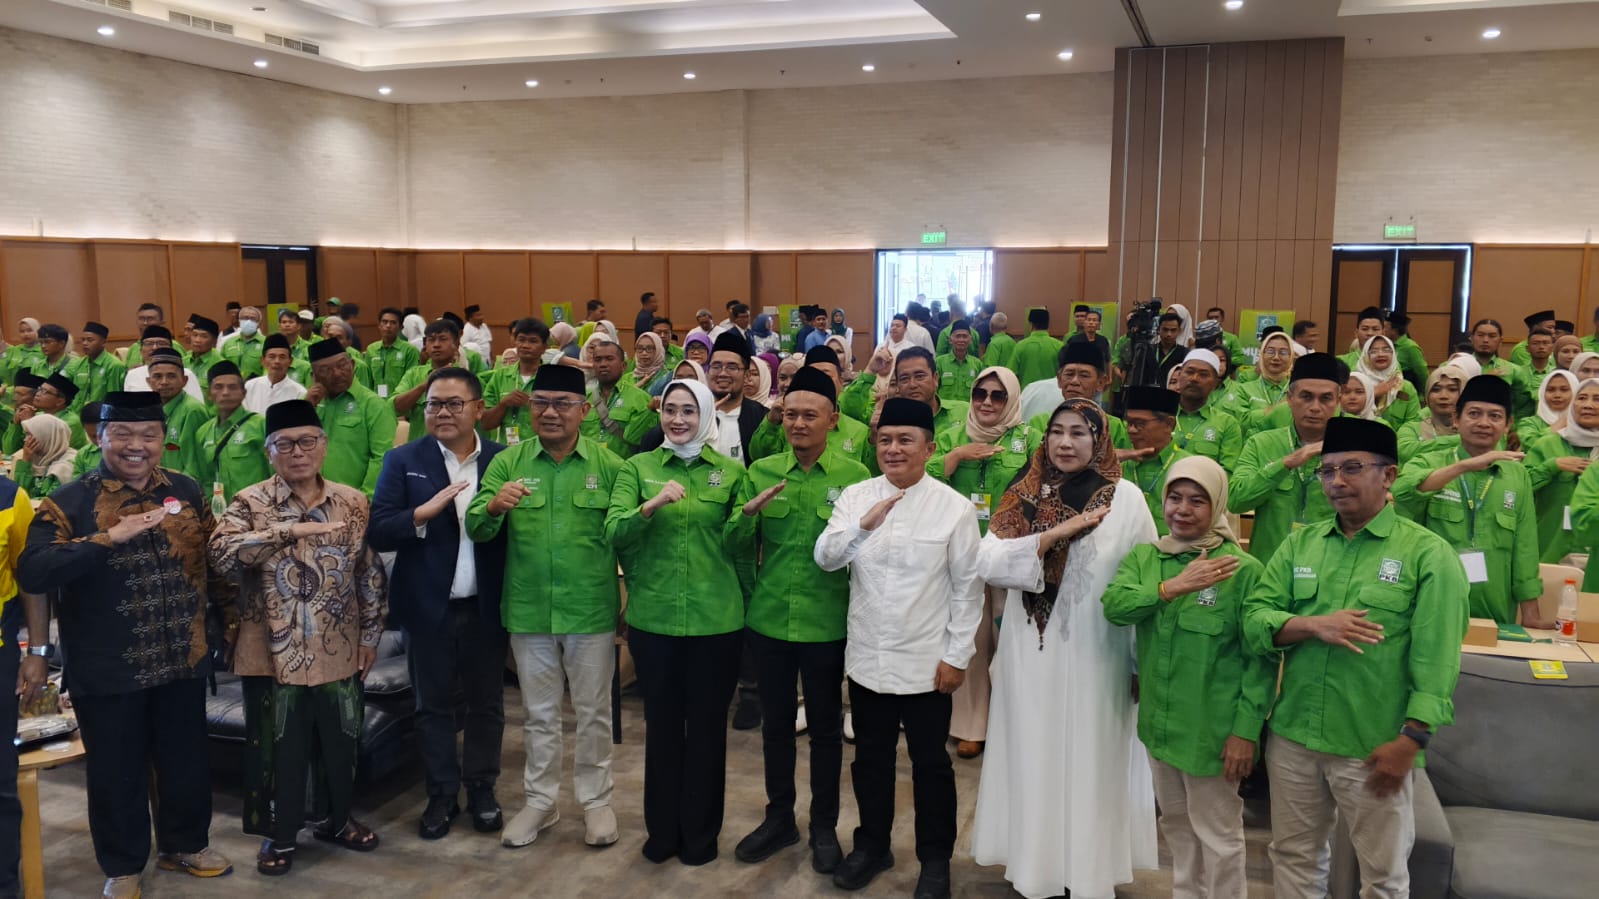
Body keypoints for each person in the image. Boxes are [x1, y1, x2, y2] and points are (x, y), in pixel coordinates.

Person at [18, 391, 233, 898]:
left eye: (148, 435)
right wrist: (107, 539)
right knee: (116, 771)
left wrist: (232, 620)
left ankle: (185, 844)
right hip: (108, 666)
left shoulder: (185, 489)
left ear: (163, 440)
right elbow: (33, 570)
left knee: (185, 761)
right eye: (123, 435)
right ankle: (123, 864)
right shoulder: (68, 501)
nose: (137, 446)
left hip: (183, 656)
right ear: (100, 437)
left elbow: (214, 559)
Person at [1242, 416, 1468, 899]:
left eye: (1351, 468)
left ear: (1389, 476)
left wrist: (1411, 739)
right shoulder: (1301, 544)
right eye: (1326, 471)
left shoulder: (1427, 554)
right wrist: (1312, 625)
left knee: (1382, 876)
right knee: (1294, 857)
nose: (1336, 482)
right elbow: (1255, 617)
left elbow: (1438, 659)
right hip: (1294, 736)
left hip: (1373, 742)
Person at [970, 397, 1158, 899]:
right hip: (1031, 652)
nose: (1065, 442)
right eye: (1057, 431)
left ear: (1100, 439)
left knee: (1092, 755)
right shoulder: (1025, 493)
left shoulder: (1126, 500)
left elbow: (1143, 582)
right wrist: (1053, 534)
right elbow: (986, 562)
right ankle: (1037, 870)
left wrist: (1138, 661)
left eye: (1079, 432)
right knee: (1033, 751)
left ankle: (1088, 871)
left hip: (1101, 653)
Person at [208, 399, 387, 875]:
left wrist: (371, 635)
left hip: (338, 644)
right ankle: (279, 834)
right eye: (284, 444)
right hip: (269, 649)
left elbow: (367, 573)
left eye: (307, 441)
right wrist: (287, 531)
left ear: (323, 445)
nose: (297, 452)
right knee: (275, 747)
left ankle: (337, 819)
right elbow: (221, 557)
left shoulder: (352, 501)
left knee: (341, 740)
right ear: (269, 452)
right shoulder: (249, 502)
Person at [814, 397, 981, 899]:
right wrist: (862, 526)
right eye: (885, 440)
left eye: (905, 440)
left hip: (928, 663)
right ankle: (872, 846)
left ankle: (935, 861)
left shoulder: (953, 508)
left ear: (929, 449)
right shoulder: (856, 496)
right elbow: (825, 558)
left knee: (931, 766)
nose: (893, 449)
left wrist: (956, 657)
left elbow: (967, 589)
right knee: (870, 761)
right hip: (868, 659)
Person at [463, 365, 621, 848]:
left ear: (583, 410)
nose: (550, 412)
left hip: (589, 609)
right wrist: (494, 507)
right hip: (529, 609)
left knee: (593, 712)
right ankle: (540, 801)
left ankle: (596, 802)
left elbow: (628, 537)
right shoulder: (507, 462)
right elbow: (475, 524)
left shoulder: (610, 465)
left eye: (562, 404)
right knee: (538, 714)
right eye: (540, 403)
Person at [1103, 455, 1270, 899]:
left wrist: (1245, 732)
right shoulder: (1147, 558)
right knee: (1176, 824)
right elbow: (1115, 607)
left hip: (1212, 733)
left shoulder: (1242, 571)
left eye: (1198, 500)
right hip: (1160, 726)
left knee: (1218, 835)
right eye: (1174, 498)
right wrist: (1173, 587)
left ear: (1217, 506)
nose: (1182, 509)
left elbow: (1260, 661)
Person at [729, 366, 869, 872]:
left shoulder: (856, 479)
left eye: (811, 415)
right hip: (769, 620)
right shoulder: (762, 471)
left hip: (827, 623)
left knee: (827, 732)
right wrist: (747, 516)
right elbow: (736, 546)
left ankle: (824, 826)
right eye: (791, 414)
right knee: (776, 727)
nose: (799, 424)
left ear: (832, 419)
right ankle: (779, 817)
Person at [607, 378, 751, 865]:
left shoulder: (731, 473)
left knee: (708, 730)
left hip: (717, 621)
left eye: (689, 410)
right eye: (670, 409)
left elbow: (738, 550)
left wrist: (746, 520)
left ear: (706, 415)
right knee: (663, 729)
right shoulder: (638, 468)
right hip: (656, 620)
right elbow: (614, 531)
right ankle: (663, 832)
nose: (678, 419)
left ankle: (701, 836)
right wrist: (650, 506)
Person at [370, 368, 511, 841]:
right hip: (426, 607)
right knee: (431, 707)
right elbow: (379, 529)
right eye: (433, 404)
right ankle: (441, 795)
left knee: (486, 705)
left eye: (453, 403)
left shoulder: (503, 460)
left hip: (486, 607)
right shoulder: (403, 459)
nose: (442, 412)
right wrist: (420, 515)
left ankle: (482, 790)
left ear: (478, 408)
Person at [927, 366, 1040, 759]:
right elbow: (923, 477)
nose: (987, 402)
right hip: (963, 553)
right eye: (980, 394)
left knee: (1010, 640)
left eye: (997, 395)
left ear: (1012, 400)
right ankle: (970, 726)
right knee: (969, 642)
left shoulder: (1029, 438)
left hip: (1011, 554)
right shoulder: (952, 435)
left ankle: (1011, 726)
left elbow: (1048, 484)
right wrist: (957, 456)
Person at [1393, 375, 1544, 625]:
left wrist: (1531, 613)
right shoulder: (1430, 461)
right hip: (1431, 604)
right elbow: (1402, 492)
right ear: (1456, 418)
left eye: (1495, 416)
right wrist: (1463, 466)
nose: (1484, 423)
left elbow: (1525, 548)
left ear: (1508, 425)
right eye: (1474, 414)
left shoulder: (1518, 475)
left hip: (1494, 608)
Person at [1229, 353, 1344, 562]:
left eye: (1325, 398)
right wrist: (1286, 463)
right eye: (1306, 397)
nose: (1315, 407)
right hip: (1270, 565)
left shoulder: (1351, 450)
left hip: (1328, 565)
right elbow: (1236, 501)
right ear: (1290, 399)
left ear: (1338, 400)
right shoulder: (1261, 443)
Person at [1523, 375, 1598, 563]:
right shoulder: (1548, 444)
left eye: (1597, 399)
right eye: (1581, 398)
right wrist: (1552, 466)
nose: (1587, 405)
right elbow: (1519, 488)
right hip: (1550, 550)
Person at [307, 338, 397, 495]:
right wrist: (307, 408)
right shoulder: (310, 404)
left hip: (355, 500)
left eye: (342, 365)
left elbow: (382, 458)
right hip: (312, 499)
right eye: (326, 370)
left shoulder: (373, 405)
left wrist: (364, 499)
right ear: (314, 376)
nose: (337, 374)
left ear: (353, 365)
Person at [193, 361, 270, 507]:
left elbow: (275, 473)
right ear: (209, 394)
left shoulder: (261, 425)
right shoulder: (203, 432)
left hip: (259, 509)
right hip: (222, 512)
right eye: (218, 387)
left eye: (232, 387)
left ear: (244, 393)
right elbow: (206, 478)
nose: (225, 392)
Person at [1120, 386, 1190, 535]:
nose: (1131, 430)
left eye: (1140, 423)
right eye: (1129, 423)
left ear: (1169, 424)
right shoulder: (1118, 465)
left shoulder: (1189, 467)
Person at [582, 335, 657, 457]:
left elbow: (646, 442)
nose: (603, 364)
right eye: (598, 360)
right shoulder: (583, 398)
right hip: (588, 463)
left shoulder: (640, 398)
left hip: (623, 465)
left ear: (623, 366)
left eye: (609, 359)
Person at [394, 319, 470, 438]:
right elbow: (396, 407)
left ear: (456, 344)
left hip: (454, 446)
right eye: (431, 340)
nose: (436, 345)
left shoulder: (466, 378)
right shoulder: (414, 374)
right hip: (421, 446)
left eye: (443, 339)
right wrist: (424, 385)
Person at [1171, 349, 1244, 471]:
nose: (1194, 378)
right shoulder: (1159, 416)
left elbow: (1228, 472)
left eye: (1203, 375)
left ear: (1215, 383)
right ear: (1179, 376)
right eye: (1189, 372)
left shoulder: (1227, 424)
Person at [144, 348, 210, 482]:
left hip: (184, 489)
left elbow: (195, 467)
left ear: (184, 380)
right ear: (149, 381)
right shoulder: (149, 410)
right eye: (157, 376)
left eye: (171, 376)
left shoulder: (192, 410)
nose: (164, 382)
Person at [480, 317, 548, 445]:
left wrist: (532, 405)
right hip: (507, 451)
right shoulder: (499, 377)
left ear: (544, 347)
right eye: (521, 339)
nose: (525, 345)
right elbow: (486, 424)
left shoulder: (552, 377)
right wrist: (503, 405)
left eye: (533, 341)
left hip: (541, 450)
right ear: (515, 342)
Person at [1227, 330, 1294, 435]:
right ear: (1262, 355)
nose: (1276, 357)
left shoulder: (1297, 392)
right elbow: (1241, 423)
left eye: (1283, 352)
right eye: (1270, 351)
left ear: (1291, 357)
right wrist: (1279, 409)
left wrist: (1259, 416)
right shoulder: (1244, 389)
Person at [1396, 363, 1467, 462]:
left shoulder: (1477, 428)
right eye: (1436, 390)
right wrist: (1463, 439)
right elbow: (1405, 452)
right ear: (1427, 395)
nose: (1443, 396)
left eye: (1452, 389)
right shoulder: (1411, 428)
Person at [122, 327, 205, 402]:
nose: (154, 347)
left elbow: (197, 403)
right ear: (141, 350)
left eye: (161, 343)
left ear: (171, 348)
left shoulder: (186, 373)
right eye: (149, 343)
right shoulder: (133, 374)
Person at [1356, 334, 1420, 427]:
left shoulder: (1406, 387)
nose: (1380, 354)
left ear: (1393, 354)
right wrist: (1373, 393)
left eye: (1386, 350)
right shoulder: (1356, 383)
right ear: (1366, 356)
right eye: (1374, 351)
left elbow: (1414, 423)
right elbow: (1347, 414)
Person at [13, 413, 78, 497]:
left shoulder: (65, 467)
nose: (25, 440)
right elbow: (19, 493)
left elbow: (50, 501)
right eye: (26, 434)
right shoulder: (36, 458)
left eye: (29, 435)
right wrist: (25, 461)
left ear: (46, 437)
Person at [242, 333, 309, 414]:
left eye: (282, 357)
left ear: (290, 361)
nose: (277, 361)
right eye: (272, 356)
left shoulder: (299, 392)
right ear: (263, 361)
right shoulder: (250, 386)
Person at [365, 307, 422, 399]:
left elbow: (412, 381)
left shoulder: (410, 350)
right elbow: (368, 380)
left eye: (393, 323)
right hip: (376, 401)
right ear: (379, 325)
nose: (388, 326)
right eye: (384, 322)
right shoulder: (371, 349)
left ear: (400, 327)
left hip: (399, 401)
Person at [66, 321, 125, 408]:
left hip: (100, 413)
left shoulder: (114, 365)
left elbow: (113, 400)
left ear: (103, 342)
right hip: (77, 413)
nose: (85, 343)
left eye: (90, 340)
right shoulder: (78, 364)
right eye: (83, 340)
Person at [1518, 367, 1577, 447]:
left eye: (1564, 390)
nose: (1557, 395)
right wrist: (1562, 422)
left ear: (1575, 391)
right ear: (1542, 393)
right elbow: (1532, 445)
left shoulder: (1582, 422)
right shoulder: (1529, 423)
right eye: (1550, 390)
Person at [1010, 309, 1063, 386]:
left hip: (1027, 392)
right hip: (1052, 391)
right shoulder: (1059, 346)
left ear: (1031, 324)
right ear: (1047, 324)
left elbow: (1012, 373)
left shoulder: (1020, 346)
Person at [220, 306, 266, 380]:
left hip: (256, 384)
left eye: (253, 319)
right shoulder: (229, 343)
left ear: (258, 323)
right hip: (232, 384)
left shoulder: (266, 343)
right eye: (245, 318)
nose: (248, 321)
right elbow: (221, 366)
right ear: (239, 320)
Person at [183, 316, 225, 391]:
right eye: (195, 335)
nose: (197, 340)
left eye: (204, 336)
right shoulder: (183, 361)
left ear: (214, 341)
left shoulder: (220, 365)